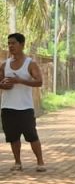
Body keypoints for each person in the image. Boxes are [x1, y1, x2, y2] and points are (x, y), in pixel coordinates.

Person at [1, 33, 45, 172]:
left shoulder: (30, 64)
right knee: (13, 137)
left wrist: (19, 80)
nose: (10, 46)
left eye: (13, 43)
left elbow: (39, 82)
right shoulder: (5, 64)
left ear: (22, 44)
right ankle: (17, 163)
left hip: (25, 108)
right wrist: (3, 85)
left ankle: (40, 162)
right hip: (7, 107)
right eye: (9, 43)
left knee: (32, 136)